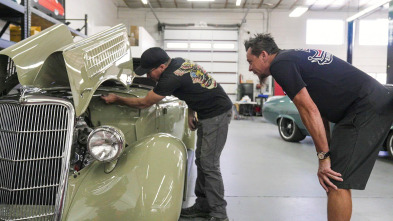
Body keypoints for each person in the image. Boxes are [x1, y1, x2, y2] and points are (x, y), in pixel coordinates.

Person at [245, 34, 393, 221]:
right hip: (372, 99)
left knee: (335, 180)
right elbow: (317, 108)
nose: (250, 68)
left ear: (264, 55)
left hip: (364, 107)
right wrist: (328, 150)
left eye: (251, 61)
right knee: (335, 176)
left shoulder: (280, 65)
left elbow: (308, 109)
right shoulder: (292, 58)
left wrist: (323, 159)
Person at [101, 47, 232, 221]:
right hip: (208, 112)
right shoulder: (179, 62)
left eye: (149, 72)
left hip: (217, 115)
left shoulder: (169, 79)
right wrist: (191, 113)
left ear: (161, 67)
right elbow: (193, 88)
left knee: (209, 164)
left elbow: (144, 103)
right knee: (201, 160)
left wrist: (117, 99)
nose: (148, 77)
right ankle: (203, 205)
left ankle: (219, 213)